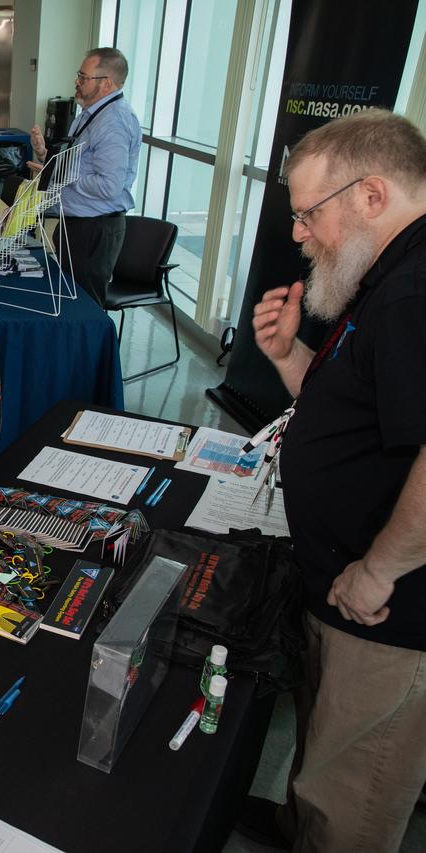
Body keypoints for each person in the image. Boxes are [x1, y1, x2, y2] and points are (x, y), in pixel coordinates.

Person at [243, 109, 426, 853]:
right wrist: (290, 355)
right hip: (339, 578)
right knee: (323, 755)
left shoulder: (415, 292)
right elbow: (355, 419)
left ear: (371, 195)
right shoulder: (382, 274)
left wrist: (380, 570)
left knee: (354, 790)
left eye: (308, 213)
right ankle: (297, 826)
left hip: (383, 607)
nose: (298, 233)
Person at [27, 47, 141, 305]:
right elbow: (77, 164)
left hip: (95, 229)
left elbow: (109, 185)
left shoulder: (114, 121)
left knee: (84, 308)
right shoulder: (90, 113)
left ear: (107, 83)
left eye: (83, 77)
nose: (77, 82)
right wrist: (46, 156)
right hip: (78, 224)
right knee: (69, 302)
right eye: (78, 75)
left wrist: (60, 173)